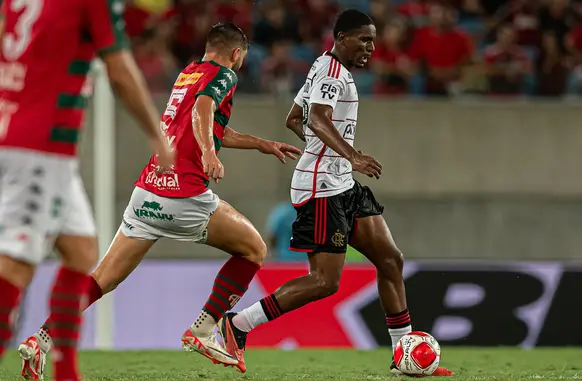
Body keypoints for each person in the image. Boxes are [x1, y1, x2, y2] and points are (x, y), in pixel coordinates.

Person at [17, 22, 301, 378]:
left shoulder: (187, 73)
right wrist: (210, 155)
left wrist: (261, 143)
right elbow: (203, 111)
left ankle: (40, 341)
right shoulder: (225, 75)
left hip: (147, 191)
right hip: (183, 195)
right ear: (237, 53)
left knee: (102, 278)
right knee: (254, 249)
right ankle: (203, 328)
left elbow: (206, 123)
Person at [217, 10, 453, 376]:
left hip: (341, 181)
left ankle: (401, 355)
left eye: (373, 41)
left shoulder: (324, 67)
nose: (370, 48)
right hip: (321, 188)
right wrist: (350, 155)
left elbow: (294, 118)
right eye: (363, 40)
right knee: (325, 282)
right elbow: (316, 118)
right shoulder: (330, 74)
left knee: (390, 259)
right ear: (341, 38)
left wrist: (327, 153)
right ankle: (237, 325)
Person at [0, 0, 174, 380]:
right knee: (15, 265)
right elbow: (120, 69)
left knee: (81, 251)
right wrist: (155, 132)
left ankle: (67, 374)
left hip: (23, 134)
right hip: (40, 148)